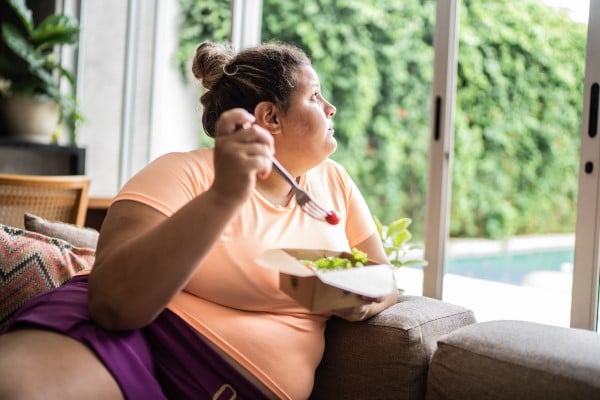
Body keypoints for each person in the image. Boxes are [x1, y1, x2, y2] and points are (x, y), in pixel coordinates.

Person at [0, 41, 398, 399]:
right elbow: (111, 303)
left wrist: (364, 302)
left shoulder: (336, 183)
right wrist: (224, 196)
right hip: (134, 340)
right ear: (270, 117)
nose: (331, 107)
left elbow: (382, 276)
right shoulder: (182, 172)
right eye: (315, 95)